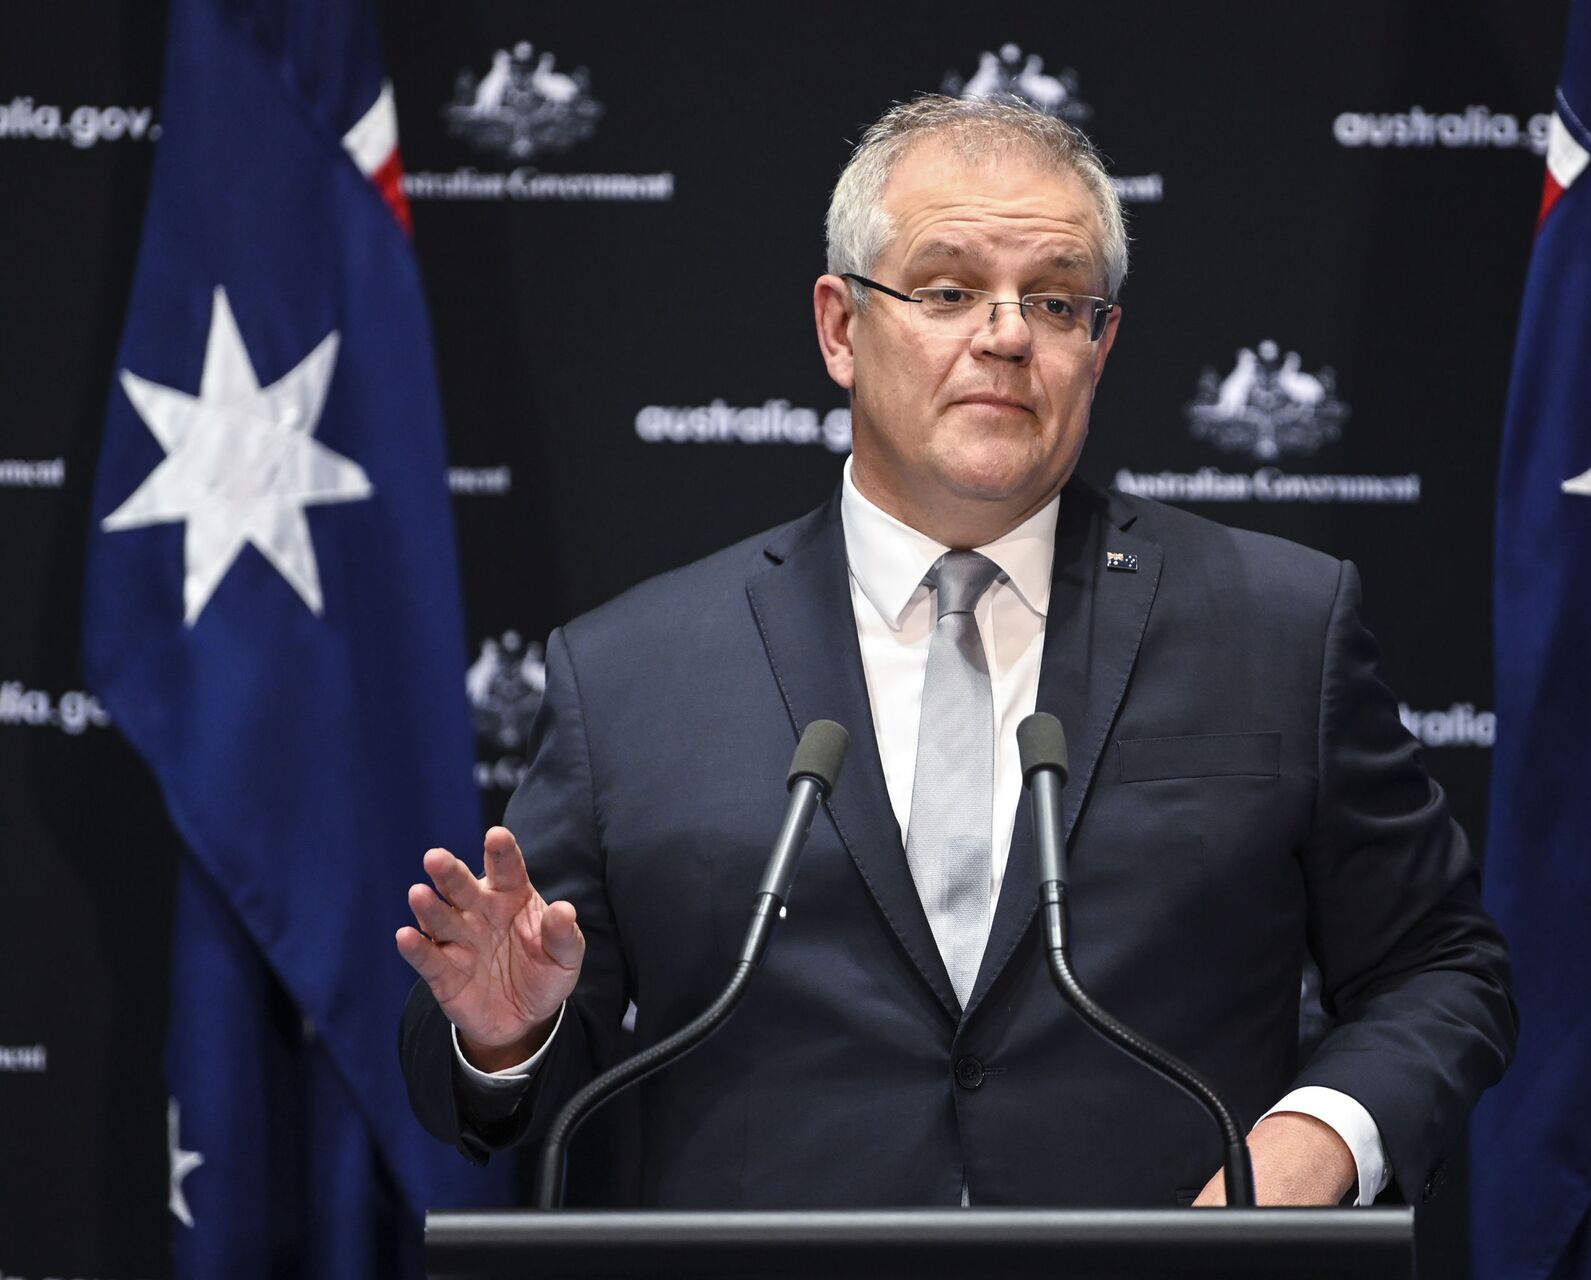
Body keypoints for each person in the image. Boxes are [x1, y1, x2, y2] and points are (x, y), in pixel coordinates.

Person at [396, 94, 1516, 1209]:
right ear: (841, 327)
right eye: (946, 289)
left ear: (1101, 342)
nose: (1008, 333)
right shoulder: (631, 673)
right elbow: (528, 1069)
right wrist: (509, 1037)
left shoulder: (1279, 623)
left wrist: (1306, 1153)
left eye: (1057, 299)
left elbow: (1441, 969)